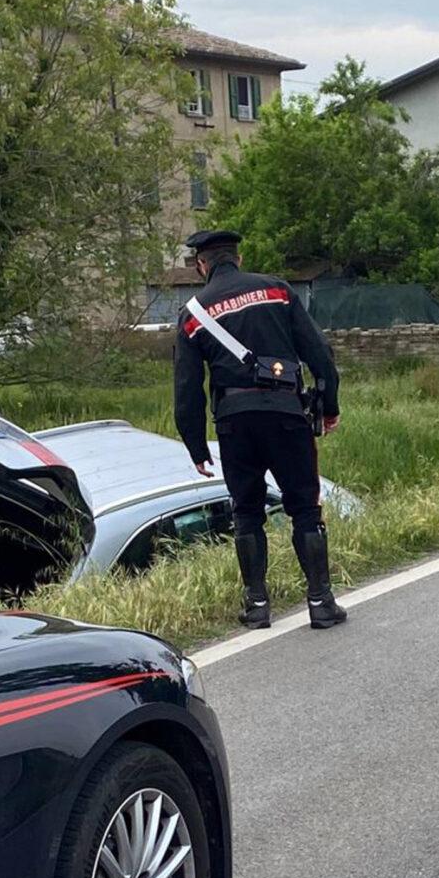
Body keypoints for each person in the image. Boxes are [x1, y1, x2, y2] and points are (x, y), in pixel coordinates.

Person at [173, 229, 346, 630]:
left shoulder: (192, 315)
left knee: (247, 512)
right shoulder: (278, 292)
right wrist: (330, 405)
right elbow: (319, 353)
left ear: (202, 264)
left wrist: (197, 447)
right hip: (287, 414)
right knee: (304, 506)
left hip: (235, 424)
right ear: (238, 256)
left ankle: (257, 606)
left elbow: (186, 390)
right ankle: (321, 602)